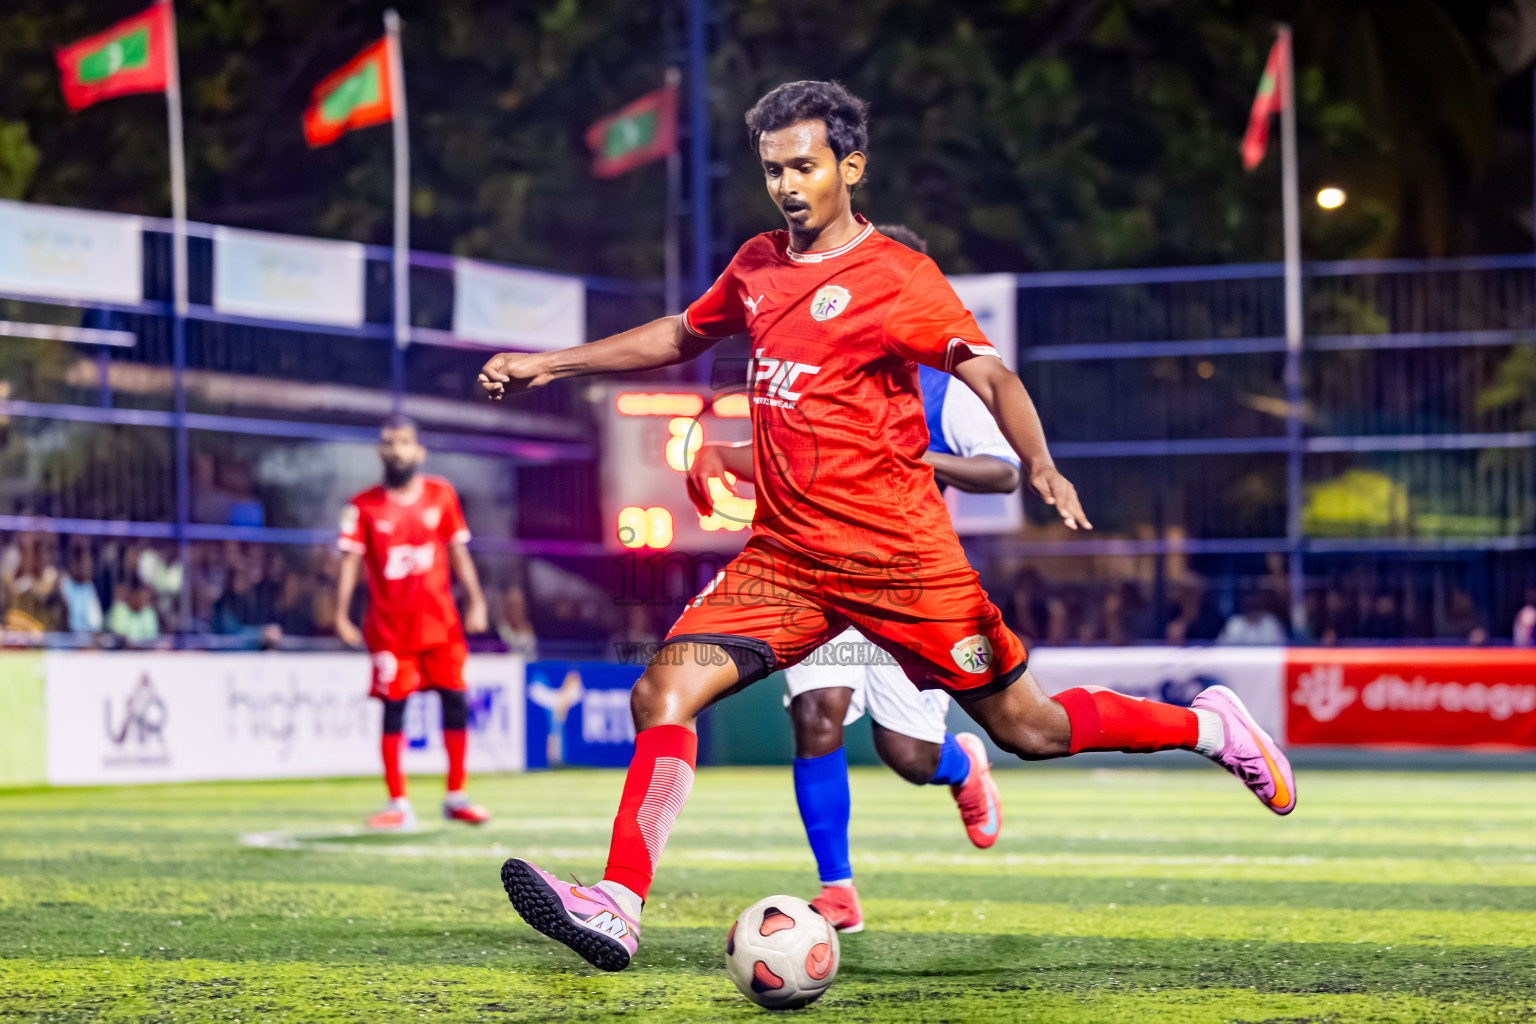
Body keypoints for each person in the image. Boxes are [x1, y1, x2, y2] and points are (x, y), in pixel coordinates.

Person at [479, 80, 1295, 973]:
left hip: (903, 563)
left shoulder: (897, 278)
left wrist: (1043, 462)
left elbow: (991, 376)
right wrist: (549, 364)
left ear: (849, 167)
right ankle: (619, 904)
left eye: (805, 166)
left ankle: (1212, 728)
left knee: (1028, 730)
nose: (788, 185)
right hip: (786, 563)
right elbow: (681, 332)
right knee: (661, 692)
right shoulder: (756, 265)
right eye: (773, 169)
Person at [683, 223, 1018, 933]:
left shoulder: (944, 384)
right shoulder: (811, 374)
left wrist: (923, 461)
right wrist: (719, 456)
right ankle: (837, 890)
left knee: (908, 755)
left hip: (905, 576)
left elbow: (1004, 470)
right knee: (817, 714)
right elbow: (777, 451)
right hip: (814, 569)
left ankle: (959, 767)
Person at [336, 415, 492, 831]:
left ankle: (456, 796)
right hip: (390, 631)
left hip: (442, 627)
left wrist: (476, 601)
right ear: (379, 450)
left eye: (403, 442)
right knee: (393, 710)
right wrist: (340, 614)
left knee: (456, 703)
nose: (396, 450)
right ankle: (397, 803)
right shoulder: (362, 506)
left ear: (418, 451)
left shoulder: (441, 495)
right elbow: (350, 562)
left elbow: (459, 553)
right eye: (388, 442)